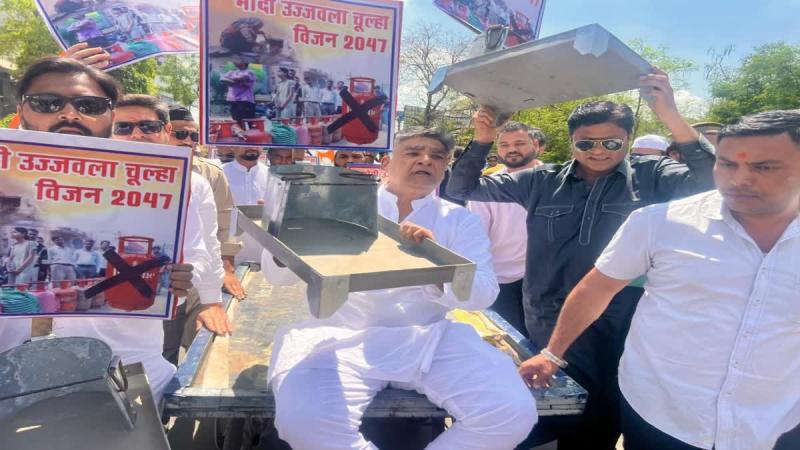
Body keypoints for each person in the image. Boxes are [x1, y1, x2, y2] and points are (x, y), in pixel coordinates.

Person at [446, 68, 716, 449]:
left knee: (606, 408)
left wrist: (670, 115)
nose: (598, 151)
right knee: (554, 404)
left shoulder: (652, 176)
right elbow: (460, 187)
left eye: (611, 142)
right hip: (549, 314)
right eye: (586, 143)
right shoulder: (540, 181)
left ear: (628, 139)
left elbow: (715, 182)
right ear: (572, 141)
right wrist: (482, 139)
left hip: (623, 317)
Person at [520, 110, 800, 450]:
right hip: (660, 415)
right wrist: (552, 354)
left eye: (764, 167)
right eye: (727, 164)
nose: (739, 179)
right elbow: (595, 289)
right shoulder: (660, 223)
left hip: (775, 424)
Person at [262, 127, 537, 449]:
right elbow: (278, 277)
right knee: (303, 421)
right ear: (386, 163)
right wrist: (286, 233)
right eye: (414, 152)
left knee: (511, 412)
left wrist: (436, 264)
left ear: (445, 168)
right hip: (341, 337)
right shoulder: (333, 208)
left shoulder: (459, 220)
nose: (426, 160)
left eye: (437, 156)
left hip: (428, 339)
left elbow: (484, 293)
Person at [12, 57, 213, 401]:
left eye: (88, 105)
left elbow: (199, 254)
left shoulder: (171, 184)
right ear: (21, 111)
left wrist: (185, 277)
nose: (70, 114)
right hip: (26, 378)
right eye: (47, 102)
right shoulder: (10, 179)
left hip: (138, 371)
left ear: (107, 117)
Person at [109, 93, 230, 369]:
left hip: (157, 307)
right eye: (123, 127)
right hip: (88, 320)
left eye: (148, 126)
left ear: (165, 131)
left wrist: (209, 298)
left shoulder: (194, 184)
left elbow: (206, 247)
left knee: (163, 360)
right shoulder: (79, 179)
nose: (137, 135)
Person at [468, 122, 545, 334]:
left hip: (548, 279)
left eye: (519, 143)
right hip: (502, 280)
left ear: (536, 144)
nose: (512, 149)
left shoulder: (559, 182)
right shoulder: (485, 188)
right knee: (510, 339)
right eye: (504, 145)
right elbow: (477, 237)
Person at [169, 105, 247, 303]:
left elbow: (224, 224)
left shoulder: (211, 174)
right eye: (180, 134)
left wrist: (227, 270)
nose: (188, 141)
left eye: (194, 136)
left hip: (198, 274)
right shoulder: (136, 170)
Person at [223, 60, 257, 126]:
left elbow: (244, 77)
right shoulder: (232, 72)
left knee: (247, 123)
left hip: (245, 101)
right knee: (236, 122)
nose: (234, 61)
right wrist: (235, 80)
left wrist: (232, 80)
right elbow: (222, 79)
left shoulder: (249, 72)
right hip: (233, 100)